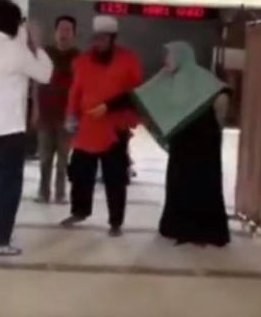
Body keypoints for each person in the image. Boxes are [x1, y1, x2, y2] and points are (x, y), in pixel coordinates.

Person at [108, 42, 231, 247]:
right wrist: (107, 106)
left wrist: (218, 122)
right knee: (179, 183)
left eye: (170, 56)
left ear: (182, 57)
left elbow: (223, 97)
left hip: (205, 144)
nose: (165, 60)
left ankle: (205, 231)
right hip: (182, 143)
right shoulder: (166, 79)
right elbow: (140, 96)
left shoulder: (203, 79)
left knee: (204, 184)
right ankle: (179, 227)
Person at [0, 0, 52, 257]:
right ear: (14, 23)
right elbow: (45, 74)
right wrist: (35, 44)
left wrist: (21, 37)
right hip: (8, 130)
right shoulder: (17, 52)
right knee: (7, 187)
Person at [60, 15, 143, 237]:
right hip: (87, 127)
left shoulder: (129, 60)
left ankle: (115, 221)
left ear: (112, 39)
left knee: (115, 177)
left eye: (102, 39)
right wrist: (71, 115)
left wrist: (112, 109)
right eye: (95, 38)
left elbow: (135, 93)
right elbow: (75, 91)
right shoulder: (82, 61)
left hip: (114, 128)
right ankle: (79, 211)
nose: (97, 43)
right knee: (80, 173)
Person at [32, 15, 80, 205]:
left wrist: (77, 115)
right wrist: (35, 109)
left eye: (68, 30)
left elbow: (82, 88)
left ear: (74, 34)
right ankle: (43, 192)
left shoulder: (78, 57)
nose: (63, 33)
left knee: (63, 159)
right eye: (61, 29)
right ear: (55, 32)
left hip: (67, 116)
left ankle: (60, 193)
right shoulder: (45, 54)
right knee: (45, 158)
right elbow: (36, 82)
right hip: (46, 114)